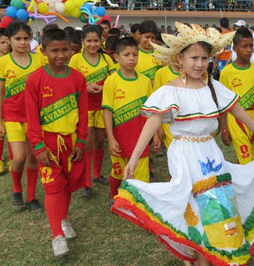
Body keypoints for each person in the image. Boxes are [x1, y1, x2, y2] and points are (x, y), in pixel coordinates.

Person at [111, 22, 254, 266]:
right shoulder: (170, 90)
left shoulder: (212, 87)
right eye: (193, 58)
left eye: (204, 58)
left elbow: (236, 110)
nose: (199, 64)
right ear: (180, 58)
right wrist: (135, 157)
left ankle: (216, 251)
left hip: (210, 152)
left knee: (218, 205)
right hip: (184, 154)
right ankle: (198, 254)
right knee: (194, 209)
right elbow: (151, 123)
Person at [25, 28, 88, 257]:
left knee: (67, 185)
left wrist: (81, 142)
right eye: (55, 51)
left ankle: (63, 220)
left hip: (72, 141)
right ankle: (57, 236)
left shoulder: (78, 78)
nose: (61, 55)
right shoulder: (35, 80)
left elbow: (83, 114)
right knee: (52, 188)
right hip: (48, 143)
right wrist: (38, 146)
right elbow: (32, 118)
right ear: (43, 51)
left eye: (66, 50)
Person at [0, 21, 43, 212]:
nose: (22, 42)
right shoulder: (2, 62)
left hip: (34, 117)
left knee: (34, 157)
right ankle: (17, 189)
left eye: (26, 38)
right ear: (9, 40)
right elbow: (0, 93)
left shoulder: (39, 61)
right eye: (18, 38)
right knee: (19, 157)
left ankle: (32, 196)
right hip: (12, 117)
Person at [102, 37, 152, 202]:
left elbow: (151, 111)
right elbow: (107, 111)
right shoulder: (111, 81)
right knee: (118, 171)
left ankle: (139, 203)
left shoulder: (145, 81)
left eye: (135, 55)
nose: (132, 58)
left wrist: (156, 133)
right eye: (127, 55)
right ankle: (114, 195)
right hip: (119, 137)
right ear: (116, 57)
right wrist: (110, 138)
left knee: (142, 175)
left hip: (140, 137)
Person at [69, 25, 116, 197]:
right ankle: (86, 183)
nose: (92, 44)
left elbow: (114, 80)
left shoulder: (106, 59)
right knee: (86, 145)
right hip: (84, 107)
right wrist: (84, 88)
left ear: (101, 40)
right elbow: (70, 83)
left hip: (102, 106)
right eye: (89, 41)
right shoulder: (75, 60)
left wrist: (101, 87)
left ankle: (96, 175)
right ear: (83, 42)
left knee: (98, 141)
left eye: (96, 40)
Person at [220, 28, 254, 164]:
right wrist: (224, 128)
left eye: (251, 46)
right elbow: (223, 103)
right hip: (236, 119)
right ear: (235, 48)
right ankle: (245, 183)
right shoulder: (227, 72)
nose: (249, 50)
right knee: (246, 159)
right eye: (244, 46)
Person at [152, 63, 180, 149]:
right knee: (175, 151)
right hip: (168, 120)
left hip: (187, 120)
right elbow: (157, 102)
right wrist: (159, 127)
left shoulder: (191, 72)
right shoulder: (161, 73)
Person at [0, 28, 10, 174]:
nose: (6, 45)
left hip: (12, 101)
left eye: (8, 42)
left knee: (13, 133)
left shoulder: (13, 60)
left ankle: (13, 160)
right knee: (0, 132)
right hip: (0, 100)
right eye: (2, 42)